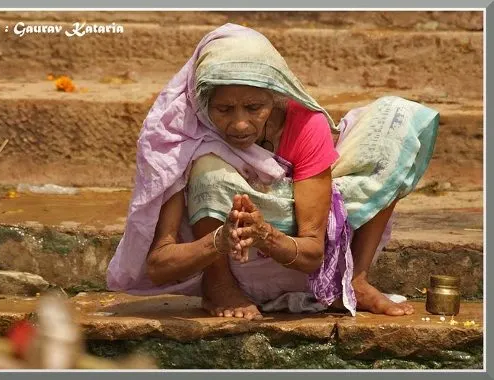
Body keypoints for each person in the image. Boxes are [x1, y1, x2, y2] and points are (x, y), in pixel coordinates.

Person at [106, 24, 440, 320]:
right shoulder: (183, 138)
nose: (239, 124)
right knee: (209, 169)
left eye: (254, 108)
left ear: (276, 98)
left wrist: (266, 234)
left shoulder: (304, 124)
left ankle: (354, 280)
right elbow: (160, 264)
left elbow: (311, 254)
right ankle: (218, 284)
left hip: (294, 254)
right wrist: (219, 241)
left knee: (392, 130)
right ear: (201, 102)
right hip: (230, 258)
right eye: (224, 109)